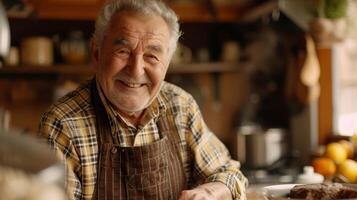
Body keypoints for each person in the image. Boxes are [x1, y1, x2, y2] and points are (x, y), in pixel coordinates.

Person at [38, 0, 248, 199]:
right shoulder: (62, 124)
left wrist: (211, 192)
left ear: (166, 63)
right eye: (123, 51)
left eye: (152, 56)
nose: (136, 70)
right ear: (96, 53)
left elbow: (228, 172)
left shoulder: (180, 106)